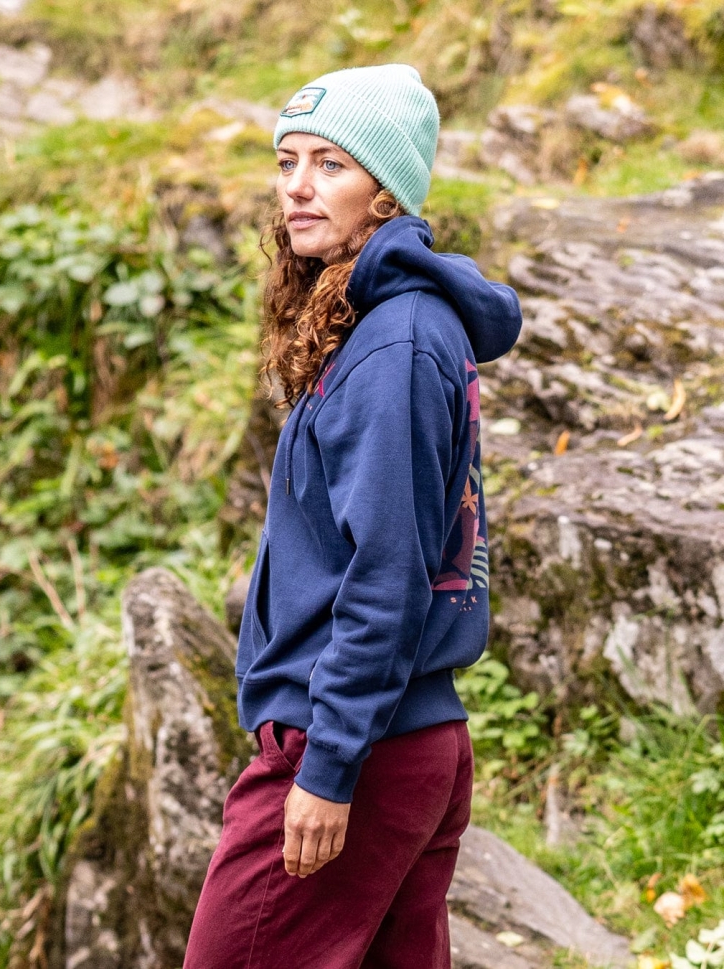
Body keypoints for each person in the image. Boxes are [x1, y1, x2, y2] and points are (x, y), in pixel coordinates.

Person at [184, 63, 522, 969]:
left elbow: (386, 572)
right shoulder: (389, 325)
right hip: (403, 739)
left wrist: (327, 766)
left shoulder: (394, 344)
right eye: (286, 161)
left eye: (329, 164)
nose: (297, 185)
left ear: (385, 192)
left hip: (351, 750)